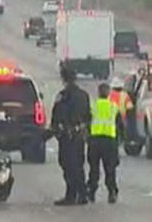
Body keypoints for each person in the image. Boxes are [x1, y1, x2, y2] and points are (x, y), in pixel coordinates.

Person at [50, 62, 91, 205]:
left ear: (64, 79)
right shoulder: (84, 95)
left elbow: (57, 115)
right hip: (79, 135)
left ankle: (72, 194)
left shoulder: (63, 96)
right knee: (78, 164)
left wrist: (55, 129)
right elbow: (88, 116)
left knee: (67, 164)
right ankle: (81, 194)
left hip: (67, 136)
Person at [88, 82, 125, 203]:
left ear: (98, 93)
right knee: (110, 169)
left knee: (94, 168)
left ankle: (91, 192)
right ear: (108, 93)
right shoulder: (113, 107)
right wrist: (121, 140)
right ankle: (112, 192)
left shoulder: (93, 106)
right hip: (110, 141)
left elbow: (87, 122)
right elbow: (120, 125)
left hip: (95, 141)